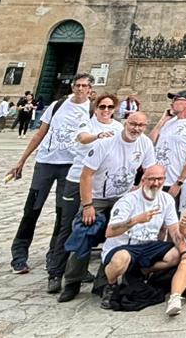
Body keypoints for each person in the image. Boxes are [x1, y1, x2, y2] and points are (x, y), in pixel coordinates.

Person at [59, 111, 154, 302]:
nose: (136, 128)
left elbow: (150, 171)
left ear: (145, 127)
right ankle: (72, 282)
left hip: (123, 198)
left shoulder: (145, 144)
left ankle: (103, 284)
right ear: (125, 123)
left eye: (141, 125)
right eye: (133, 124)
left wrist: (139, 193)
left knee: (117, 239)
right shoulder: (106, 143)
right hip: (97, 198)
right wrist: (87, 205)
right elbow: (86, 175)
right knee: (84, 235)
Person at [6, 74, 95, 276]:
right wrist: (22, 160)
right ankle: (19, 255)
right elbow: (40, 133)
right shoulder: (57, 105)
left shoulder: (91, 111)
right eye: (77, 85)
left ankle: (54, 256)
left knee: (63, 214)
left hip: (71, 168)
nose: (80, 89)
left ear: (90, 89)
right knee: (32, 209)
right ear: (73, 86)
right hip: (45, 163)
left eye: (84, 86)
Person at [48, 92, 121, 294]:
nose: (105, 110)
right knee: (68, 226)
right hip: (76, 180)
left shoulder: (118, 128)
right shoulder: (87, 124)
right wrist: (98, 136)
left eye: (109, 107)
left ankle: (82, 273)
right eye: (102, 107)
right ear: (95, 108)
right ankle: (55, 271)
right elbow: (82, 138)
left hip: (100, 187)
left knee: (92, 230)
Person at [100, 165, 183, 296]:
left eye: (160, 179)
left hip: (147, 246)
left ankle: (142, 271)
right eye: (151, 179)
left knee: (176, 254)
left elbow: (174, 230)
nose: (156, 183)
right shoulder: (128, 201)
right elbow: (109, 231)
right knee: (121, 259)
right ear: (143, 180)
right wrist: (136, 220)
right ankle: (111, 284)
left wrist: (184, 251)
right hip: (124, 246)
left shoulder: (167, 200)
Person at [150, 91, 186, 210]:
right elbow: (151, 142)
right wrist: (162, 120)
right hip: (155, 178)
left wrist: (179, 182)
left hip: (172, 180)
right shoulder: (169, 122)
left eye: (176, 99)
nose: (172, 103)